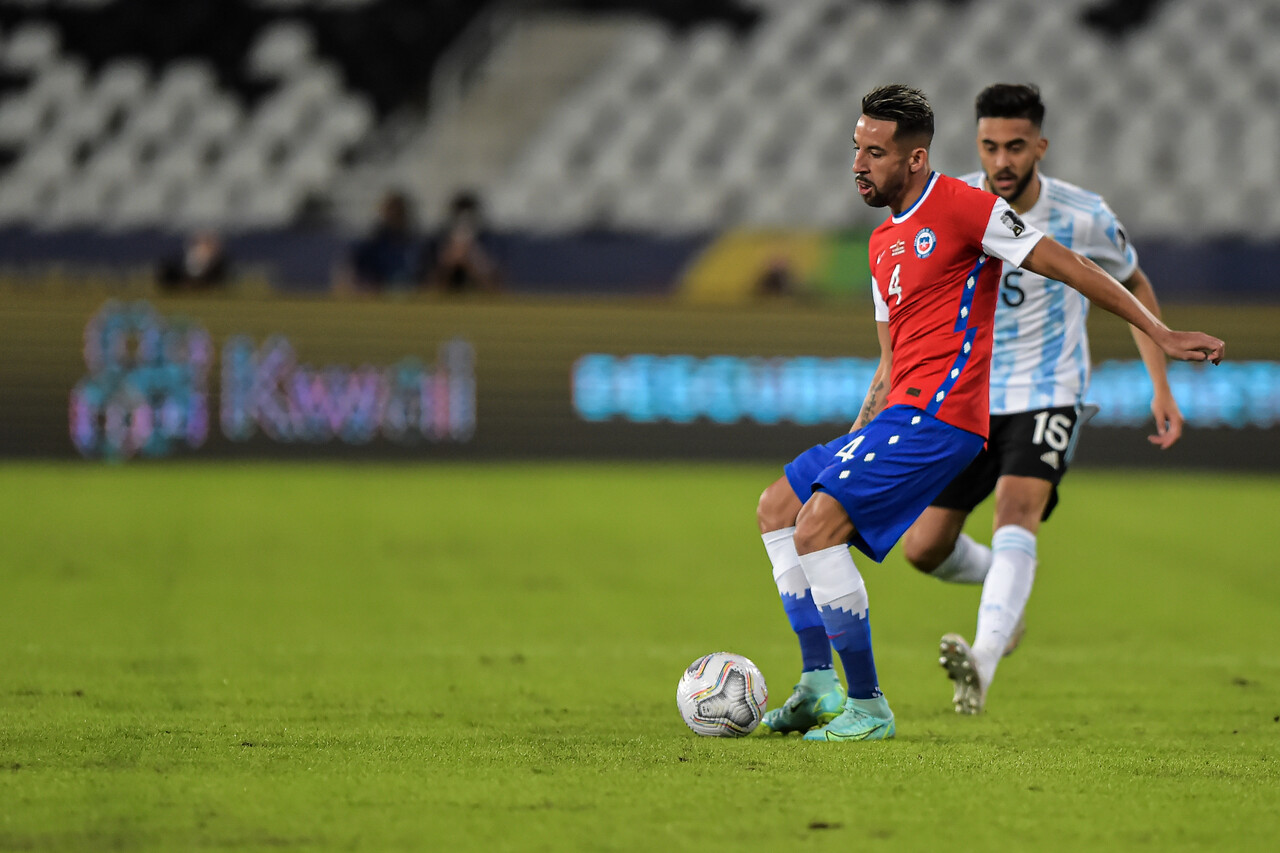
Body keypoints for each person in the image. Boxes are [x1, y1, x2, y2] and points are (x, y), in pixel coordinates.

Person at [754, 84, 1222, 742]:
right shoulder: (881, 244)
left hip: (946, 417)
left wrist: (1161, 332)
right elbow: (890, 364)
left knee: (818, 528)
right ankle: (816, 684)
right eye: (856, 149)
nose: (859, 163)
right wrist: (855, 443)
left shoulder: (964, 207)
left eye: (876, 152)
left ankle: (867, 705)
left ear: (915, 159)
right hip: (900, 416)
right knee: (779, 507)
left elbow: (1072, 265)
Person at [898, 83, 1185, 716]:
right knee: (923, 548)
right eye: (990, 146)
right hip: (968, 397)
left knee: (1016, 509)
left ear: (1041, 147)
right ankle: (1006, 597)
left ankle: (983, 659)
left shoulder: (1083, 215)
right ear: (976, 145)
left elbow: (1132, 282)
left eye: (1016, 147)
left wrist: (1159, 383)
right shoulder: (954, 204)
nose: (1002, 161)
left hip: (1051, 392)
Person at [335, 191, 427, 293]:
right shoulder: (372, 243)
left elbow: (427, 276)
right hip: (378, 296)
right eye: (392, 213)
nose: (395, 217)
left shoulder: (416, 243)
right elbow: (347, 272)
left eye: (399, 213)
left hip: (411, 296)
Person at [425, 191, 500, 293]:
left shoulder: (489, 241)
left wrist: (473, 263)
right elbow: (427, 291)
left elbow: (498, 292)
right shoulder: (435, 242)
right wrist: (448, 263)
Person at [157, 231, 230, 291]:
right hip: (189, 273)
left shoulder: (212, 256)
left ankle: (193, 284)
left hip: (201, 275)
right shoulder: (193, 251)